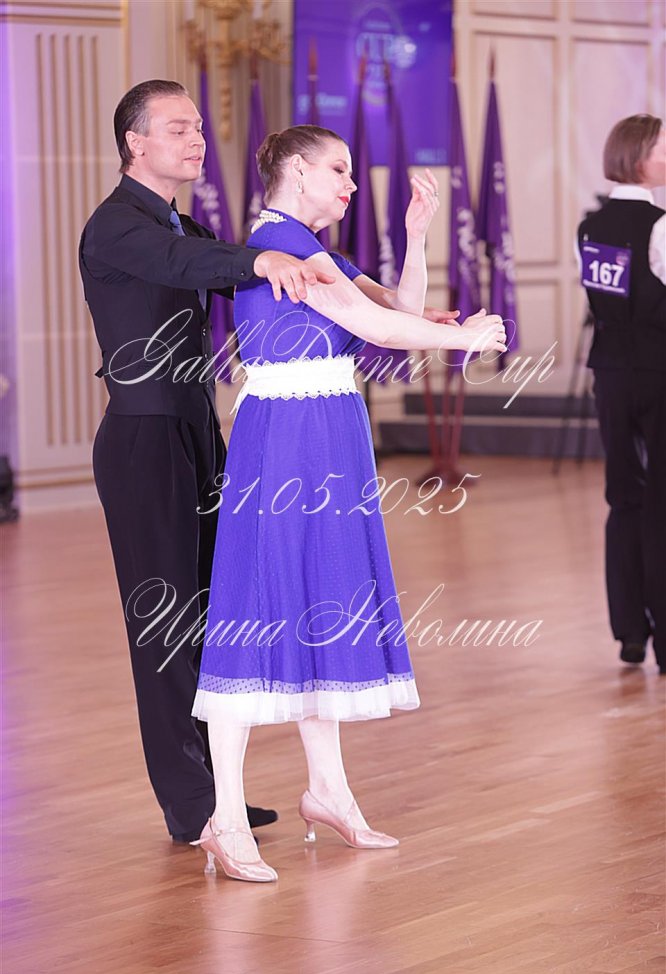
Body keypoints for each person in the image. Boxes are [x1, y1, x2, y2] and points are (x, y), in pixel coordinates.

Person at [187, 125, 507, 882]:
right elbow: (378, 328)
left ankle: (326, 789)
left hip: (327, 434)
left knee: (318, 600)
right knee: (257, 604)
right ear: (297, 171)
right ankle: (225, 817)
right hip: (284, 440)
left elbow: (399, 310)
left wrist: (417, 236)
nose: (351, 185)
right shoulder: (280, 243)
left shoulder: (314, 249)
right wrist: (465, 342)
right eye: (339, 170)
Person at [79, 81, 337, 844]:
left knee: (210, 619)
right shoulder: (117, 226)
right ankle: (193, 805)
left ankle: (219, 787)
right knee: (164, 628)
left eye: (198, 126)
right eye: (178, 128)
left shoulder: (182, 222)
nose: (197, 139)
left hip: (196, 431)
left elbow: (231, 271)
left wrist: (381, 303)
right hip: (143, 441)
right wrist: (263, 257)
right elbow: (189, 262)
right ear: (135, 142)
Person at [577, 114, 665, 674]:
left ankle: (631, 632)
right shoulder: (660, 226)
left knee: (623, 497)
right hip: (659, 373)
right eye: (663, 147)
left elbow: (607, 299)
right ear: (638, 158)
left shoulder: (589, 227)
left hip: (610, 373)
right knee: (661, 502)